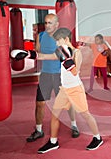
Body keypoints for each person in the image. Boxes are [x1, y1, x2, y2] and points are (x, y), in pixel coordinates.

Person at [29, 28, 103, 153]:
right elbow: (46, 56)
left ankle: (97, 138)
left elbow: (74, 71)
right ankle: (53, 142)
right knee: (55, 115)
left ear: (66, 39)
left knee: (85, 114)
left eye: (58, 41)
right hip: (64, 90)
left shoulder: (76, 53)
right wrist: (29, 55)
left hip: (75, 90)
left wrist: (64, 59)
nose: (57, 43)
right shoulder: (60, 51)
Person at [26, 14, 79, 142]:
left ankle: (74, 125)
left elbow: (65, 54)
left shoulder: (62, 38)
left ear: (57, 24)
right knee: (40, 103)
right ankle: (38, 130)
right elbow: (38, 52)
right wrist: (30, 53)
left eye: (50, 23)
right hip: (46, 75)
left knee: (67, 103)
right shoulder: (40, 36)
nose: (47, 25)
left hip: (60, 75)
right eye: (45, 23)